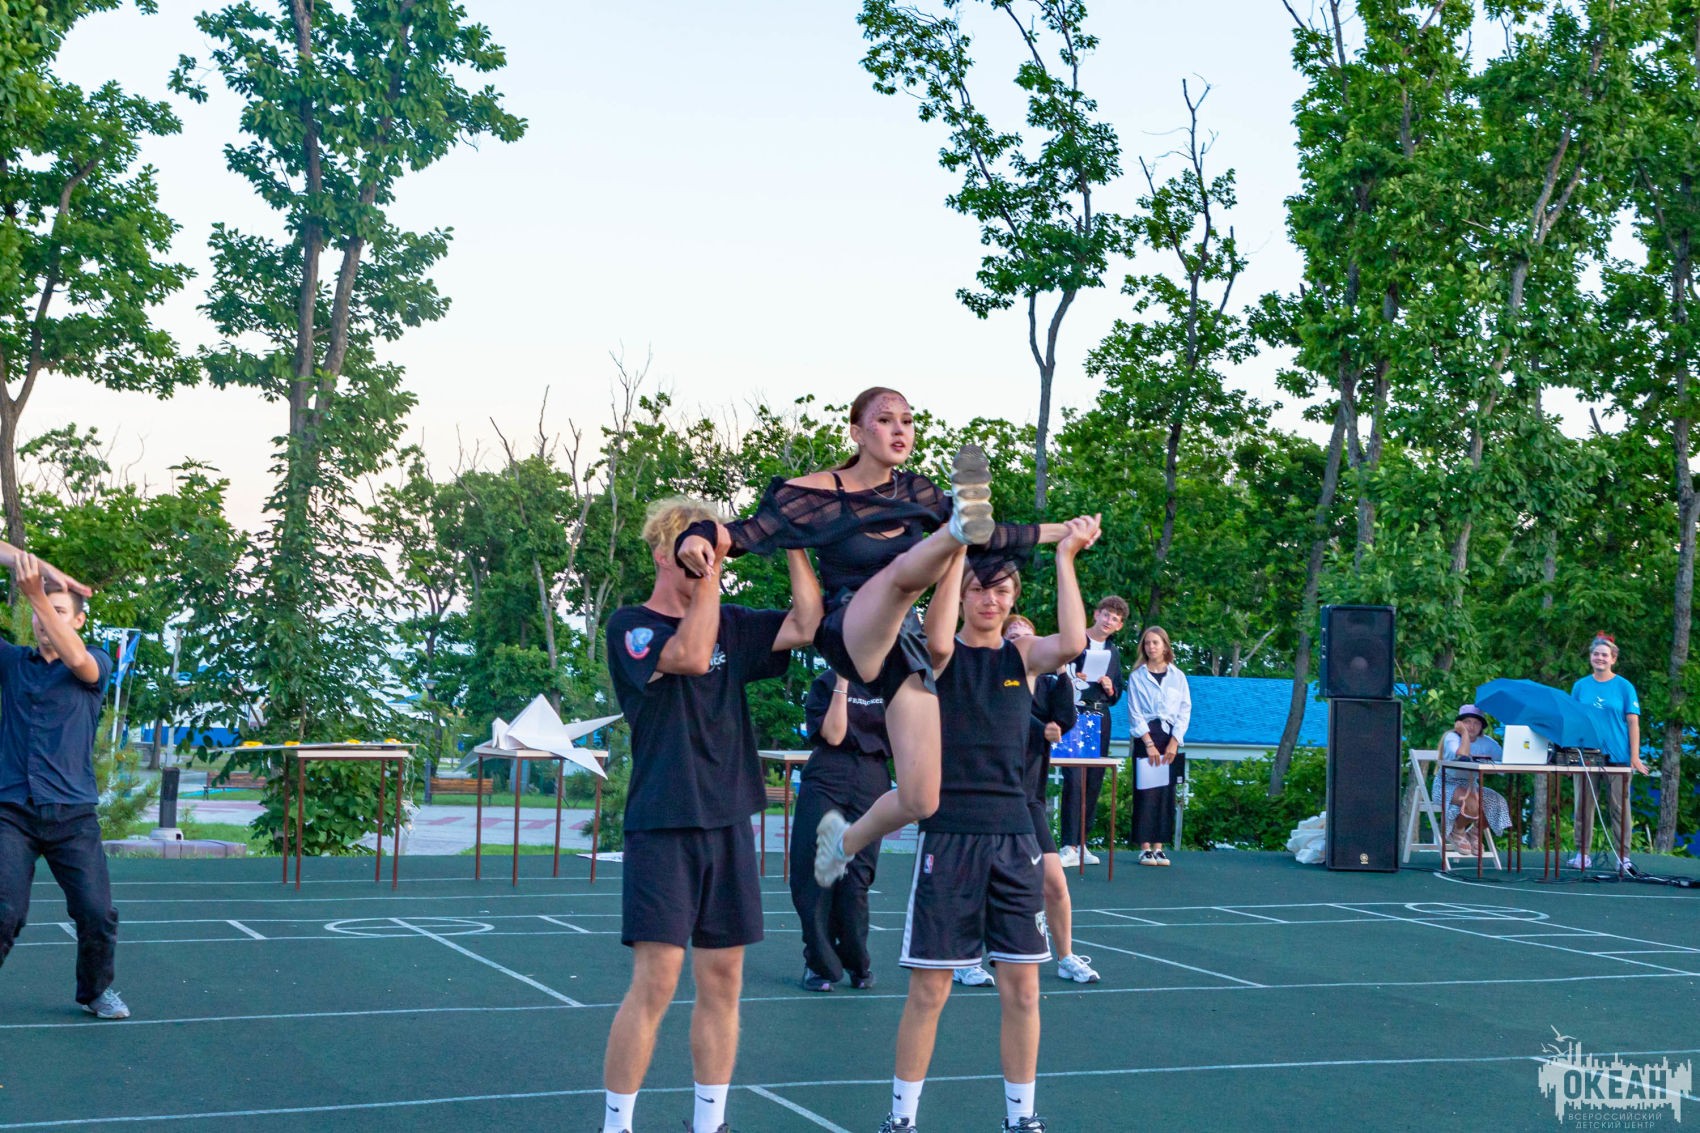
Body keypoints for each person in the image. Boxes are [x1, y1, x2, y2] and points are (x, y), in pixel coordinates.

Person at [669, 388, 1076, 887]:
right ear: (857, 433)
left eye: (907, 420)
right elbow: (745, 532)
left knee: (921, 797)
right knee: (902, 578)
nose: (900, 429)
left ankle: (842, 842)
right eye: (885, 420)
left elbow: (997, 534)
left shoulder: (917, 493)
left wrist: (1064, 532)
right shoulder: (815, 493)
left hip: (903, 643)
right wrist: (696, 536)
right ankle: (954, 533)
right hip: (850, 626)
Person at [600, 498, 822, 1133]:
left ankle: (710, 1123)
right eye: (689, 550)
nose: (701, 562)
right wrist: (709, 582)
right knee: (657, 981)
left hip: (728, 820)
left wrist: (792, 538)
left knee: (723, 980)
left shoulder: (731, 621)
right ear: (660, 553)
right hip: (664, 820)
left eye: (710, 549)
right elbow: (693, 657)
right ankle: (616, 1124)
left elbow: (807, 623)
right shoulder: (631, 626)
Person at [880, 513, 1100, 1133]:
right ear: (962, 594)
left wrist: (1066, 556)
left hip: (1014, 837)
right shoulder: (941, 653)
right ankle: (901, 1119)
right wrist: (957, 545)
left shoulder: (1022, 656)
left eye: (1001, 591)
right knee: (930, 991)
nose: (990, 600)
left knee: (1024, 990)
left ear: (1012, 599)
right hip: (949, 835)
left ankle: (1021, 1119)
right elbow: (937, 633)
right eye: (979, 589)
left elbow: (1074, 642)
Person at [0, 550, 126, 1020]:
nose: (43, 621)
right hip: (12, 814)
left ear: (78, 620)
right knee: (4, 911)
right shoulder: (13, 663)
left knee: (96, 913)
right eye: (39, 612)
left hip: (73, 817)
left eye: (57, 612)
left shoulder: (93, 664)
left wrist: (35, 593)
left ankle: (95, 992)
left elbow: (76, 657)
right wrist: (34, 567)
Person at [954, 614, 1098, 988]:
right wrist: (1041, 728)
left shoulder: (1049, 680)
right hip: (986, 795)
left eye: (1029, 636)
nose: (1022, 641)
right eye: (1014, 635)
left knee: (1055, 882)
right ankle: (964, 959)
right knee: (977, 882)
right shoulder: (990, 678)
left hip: (1027, 798)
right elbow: (1013, 718)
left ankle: (1066, 957)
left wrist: (1062, 672)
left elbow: (1064, 720)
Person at [790, 670, 888, 992]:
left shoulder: (892, 681)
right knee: (816, 872)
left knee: (857, 877)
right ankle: (819, 964)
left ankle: (857, 962)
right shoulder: (826, 681)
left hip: (872, 777)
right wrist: (843, 683)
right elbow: (833, 736)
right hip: (827, 775)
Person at [1056, 596, 1127, 867]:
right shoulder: (1075, 641)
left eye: (1115, 619)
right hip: (1074, 713)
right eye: (1106, 615)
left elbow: (1117, 693)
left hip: (1099, 716)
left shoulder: (1113, 652)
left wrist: (1110, 688)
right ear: (1096, 614)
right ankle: (1068, 845)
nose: (1109, 621)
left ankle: (1083, 843)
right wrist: (1075, 678)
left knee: (1093, 781)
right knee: (1073, 780)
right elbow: (1057, 673)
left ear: (1119, 626)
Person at [1569, 633, 1648, 870]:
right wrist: (1570, 756)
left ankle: (1623, 857)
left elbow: (1633, 722)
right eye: (1596, 654)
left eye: (1604, 655)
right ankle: (1582, 854)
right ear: (1590, 657)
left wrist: (1634, 756)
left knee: (1619, 808)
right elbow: (1573, 719)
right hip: (1586, 755)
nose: (1600, 658)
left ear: (1613, 658)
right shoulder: (1580, 686)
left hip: (1618, 756)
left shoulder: (1624, 687)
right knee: (1583, 805)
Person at [1126, 625, 1191, 866]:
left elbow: (1184, 709)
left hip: (1169, 737)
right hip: (1146, 737)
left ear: (1165, 646)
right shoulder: (1137, 676)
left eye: (1155, 642)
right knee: (1146, 792)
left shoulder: (1178, 676)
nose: (1151, 647)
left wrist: (1174, 741)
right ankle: (1145, 848)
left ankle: (1159, 847)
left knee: (1165, 792)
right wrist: (1149, 743)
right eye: (1147, 643)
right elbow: (1134, 712)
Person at [1432, 704, 1509, 857]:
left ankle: (1474, 833)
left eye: (1476, 723)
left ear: (1482, 726)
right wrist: (1464, 734)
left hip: (1471, 785)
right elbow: (1462, 755)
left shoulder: (1488, 742)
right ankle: (1458, 831)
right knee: (1472, 800)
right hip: (1447, 784)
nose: (1472, 726)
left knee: (1497, 801)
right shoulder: (1452, 738)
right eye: (1467, 722)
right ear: (1459, 724)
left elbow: (1504, 763)